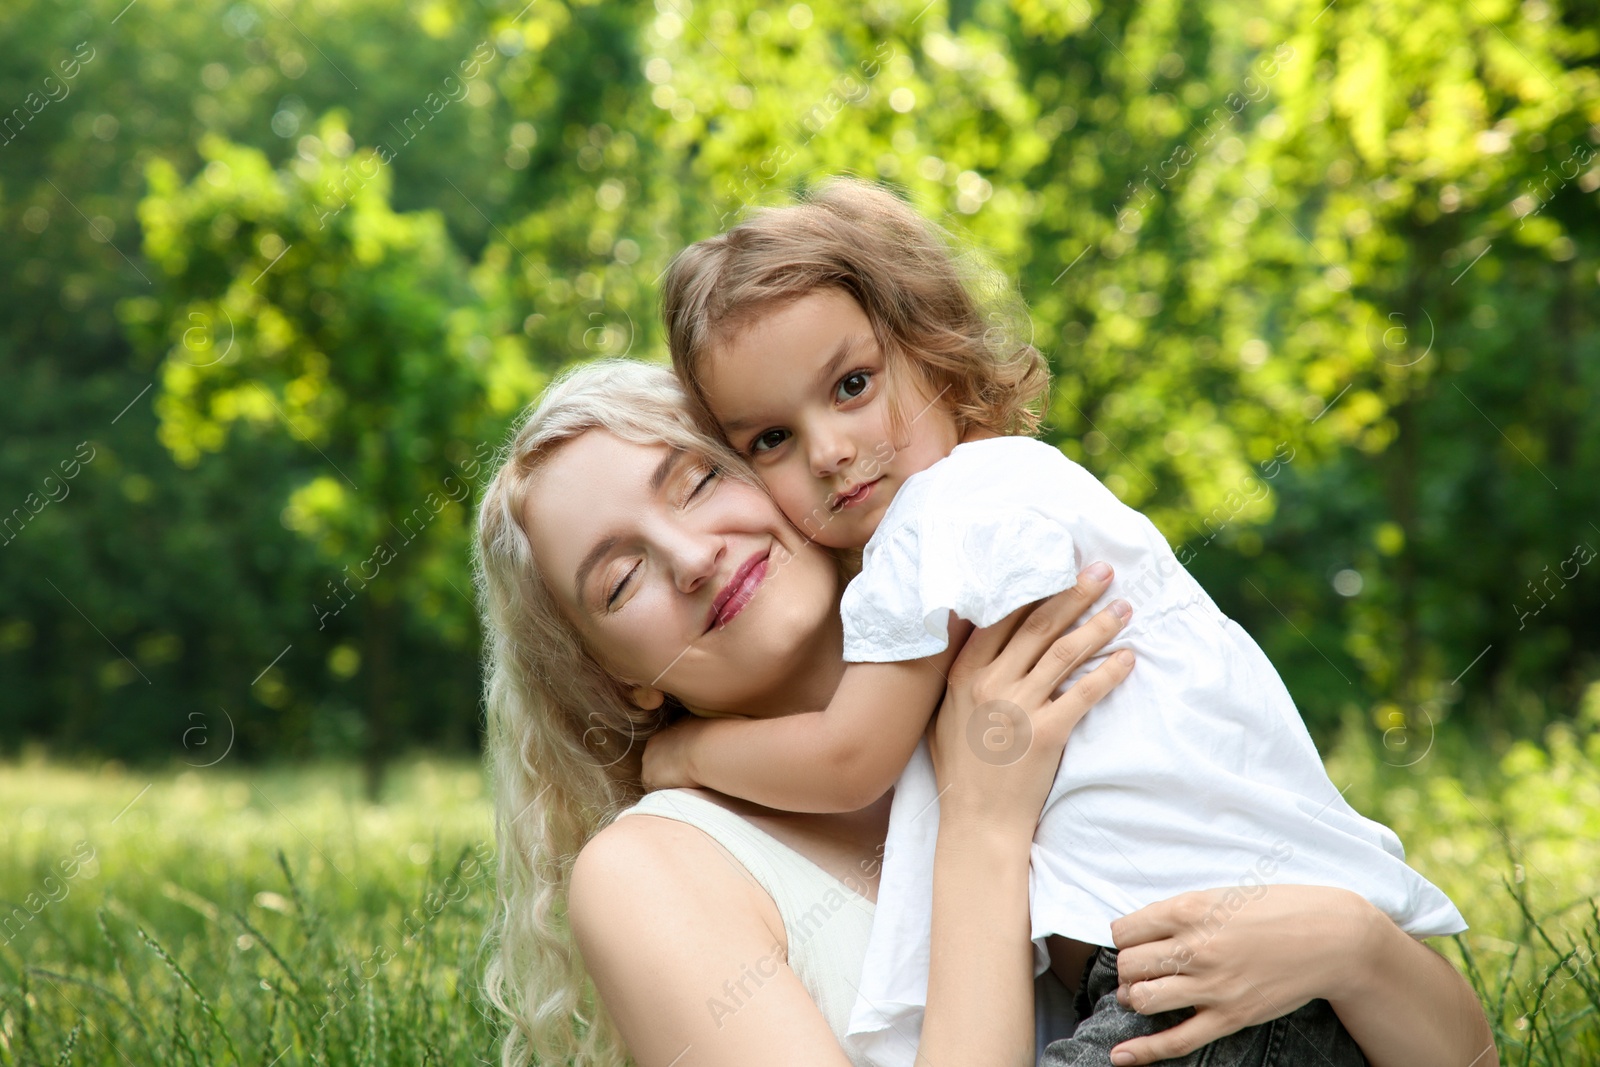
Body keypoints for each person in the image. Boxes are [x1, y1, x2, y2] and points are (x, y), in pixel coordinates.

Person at [644, 179, 1467, 1066]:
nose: (829, 451)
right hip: (1289, 964)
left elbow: (851, 758)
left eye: (851, 385)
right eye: (770, 439)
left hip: (1190, 987)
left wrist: (683, 755)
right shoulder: (1026, 489)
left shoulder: (938, 514)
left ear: (935, 351)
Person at [475, 358, 1496, 1067]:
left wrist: (1349, 943)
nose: (693, 555)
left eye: (698, 479)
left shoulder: (1025, 666)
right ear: (619, 680)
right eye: (620, 581)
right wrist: (981, 819)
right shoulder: (655, 870)